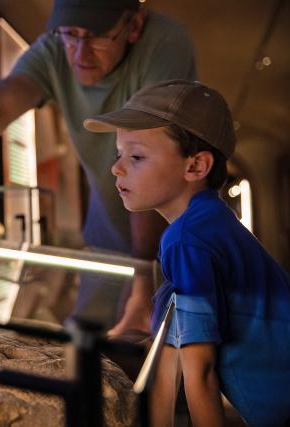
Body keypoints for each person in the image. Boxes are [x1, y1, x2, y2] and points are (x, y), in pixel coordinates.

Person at [0, 0, 197, 334]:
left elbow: (152, 151)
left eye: (98, 37)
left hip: (172, 244)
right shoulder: (54, 50)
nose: (79, 53)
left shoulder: (165, 43)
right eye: (70, 35)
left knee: (169, 349)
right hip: (107, 244)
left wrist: (144, 274)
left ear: (134, 26)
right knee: (84, 346)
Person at [84, 79, 290, 427]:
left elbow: (201, 372)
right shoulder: (211, 221)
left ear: (195, 166)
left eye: (136, 156)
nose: (117, 168)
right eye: (118, 154)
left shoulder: (187, 239)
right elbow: (175, 351)